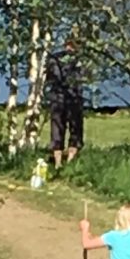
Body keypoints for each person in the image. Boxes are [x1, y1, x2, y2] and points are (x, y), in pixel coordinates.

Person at [46, 36, 84, 171]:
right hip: (72, 97)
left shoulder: (54, 59)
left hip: (58, 98)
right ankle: (67, 162)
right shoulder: (80, 61)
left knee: (58, 129)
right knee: (75, 129)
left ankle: (59, 163)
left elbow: (50, 78)